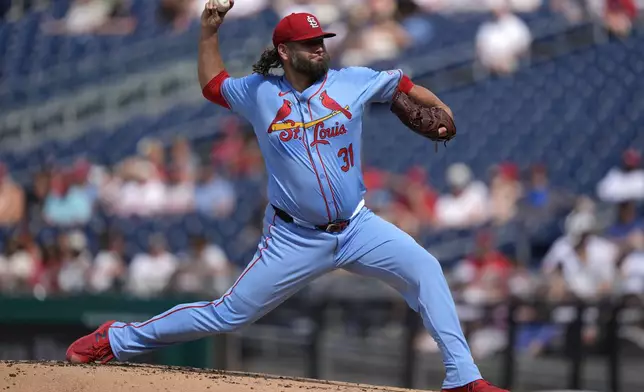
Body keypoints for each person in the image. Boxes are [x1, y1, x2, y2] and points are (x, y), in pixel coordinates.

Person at [66, 3, 506, 392]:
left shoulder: (353, 81)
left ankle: (463, 378)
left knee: (425, 268)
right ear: (284, 52)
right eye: (309, 43)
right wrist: (208, 32)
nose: (319, 48)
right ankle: (116, 339)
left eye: (321, 41)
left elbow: (405, 85)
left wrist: (444, 110)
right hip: (293, 238)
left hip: (357, 226)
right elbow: (212, 84)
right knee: (230, 314)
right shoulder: (260, 93)